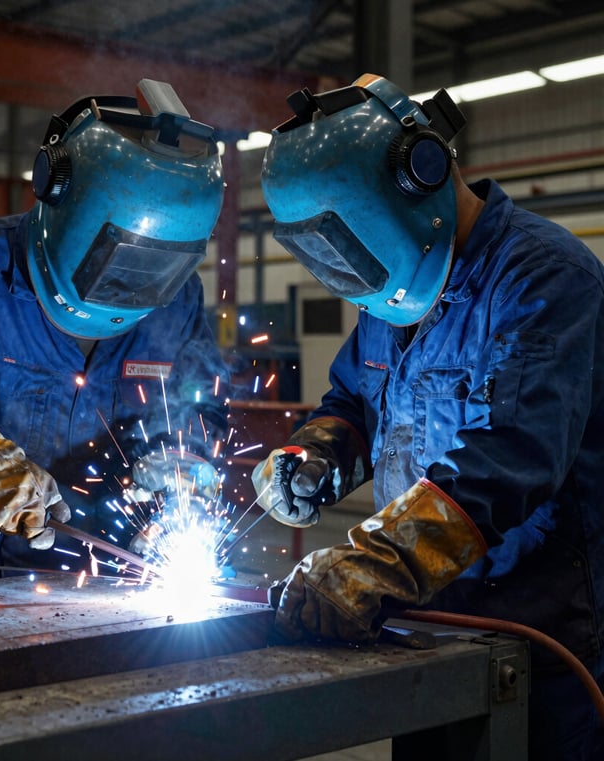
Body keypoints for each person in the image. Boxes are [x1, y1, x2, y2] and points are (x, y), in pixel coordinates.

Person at [252, 73, 604, 760]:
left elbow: (511, 459)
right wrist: (318, 454)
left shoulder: (544, 279)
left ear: (424, 174)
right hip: (423, 635)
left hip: (548, 654)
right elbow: (355, 401)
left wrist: (377, 561)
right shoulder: (392, 294)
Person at [0, 79, 230, 588]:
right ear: (56, 191)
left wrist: (181, 463)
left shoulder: (180, 298)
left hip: (105, 585)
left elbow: (196, 401)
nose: (129, 287)